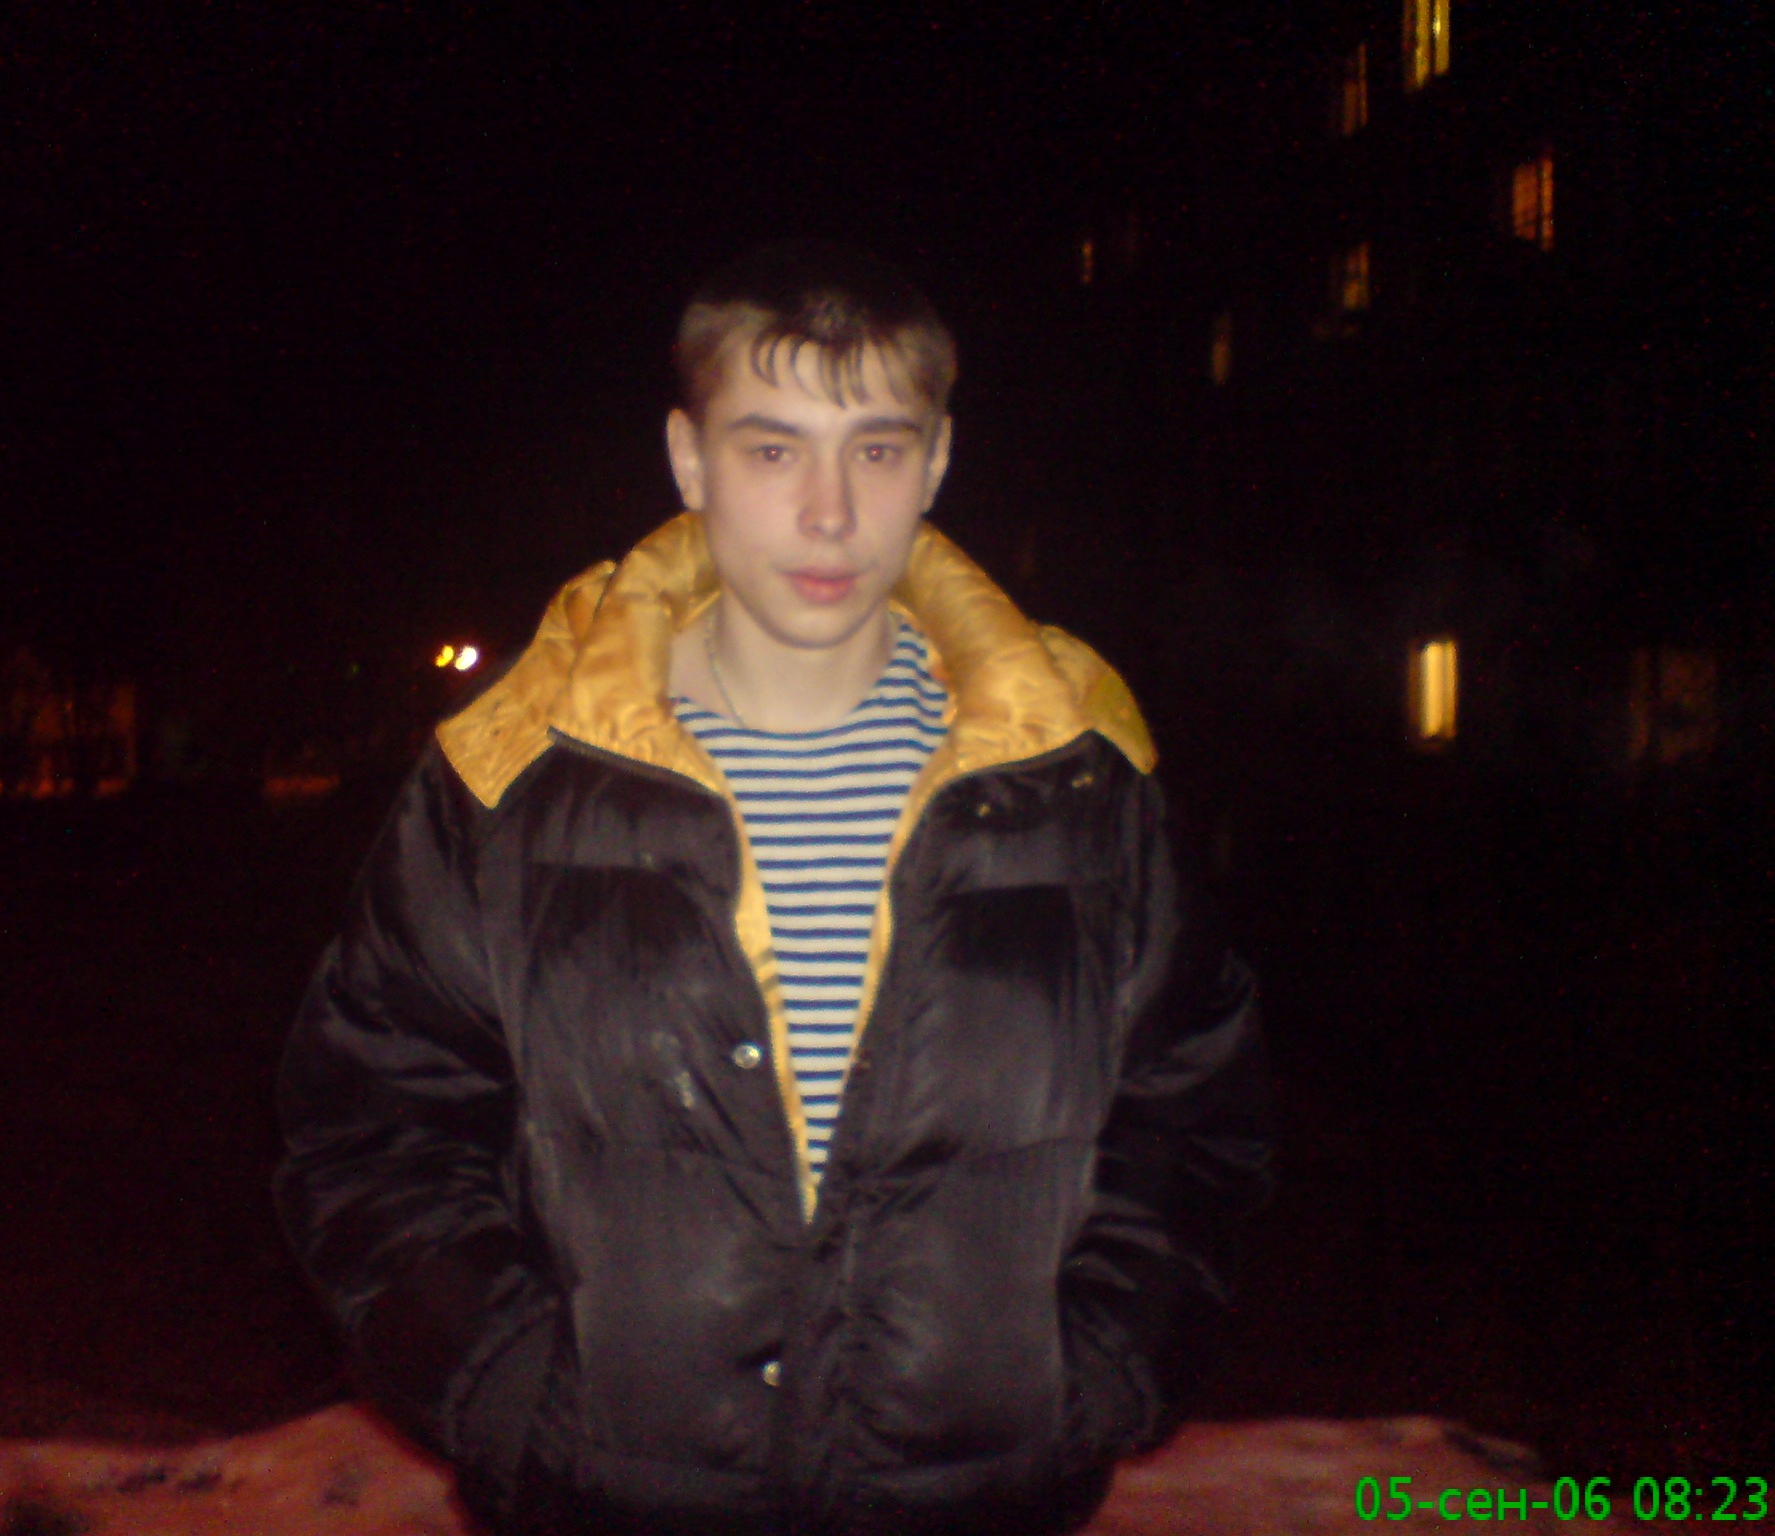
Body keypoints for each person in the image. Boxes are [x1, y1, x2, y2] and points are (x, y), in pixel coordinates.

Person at [275, 239, 1274, 1536]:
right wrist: (512, 1391)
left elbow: (1194, 1114)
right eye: (771, 448)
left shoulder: (1075, 779)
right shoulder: (514, 780)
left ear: (939, 460)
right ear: (688, 459)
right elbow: (373, 1124)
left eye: (877, 447)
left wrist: (1095, 1374)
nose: (829, 513)